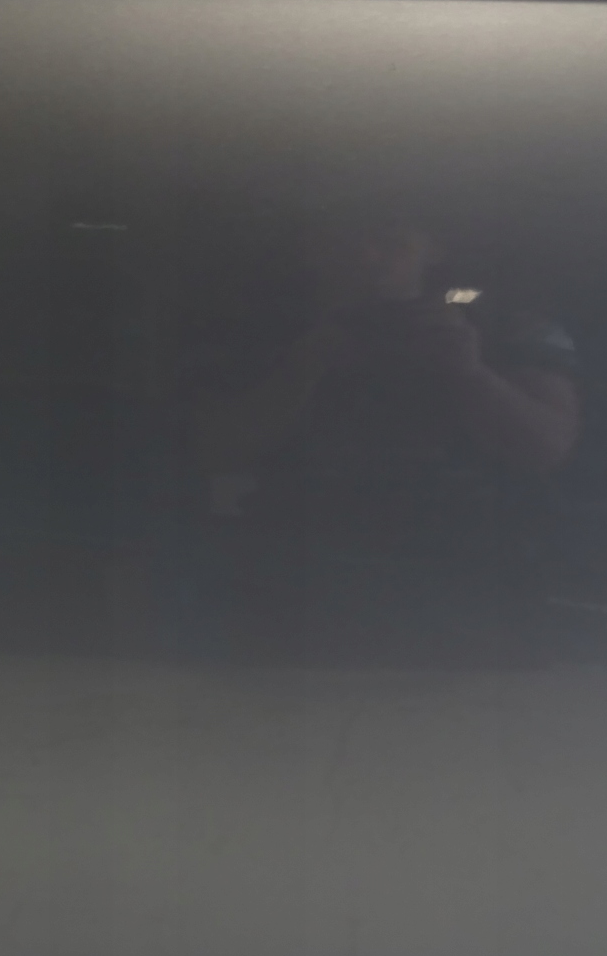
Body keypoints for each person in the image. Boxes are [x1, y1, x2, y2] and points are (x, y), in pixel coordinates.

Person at [184, 201, 580, 664]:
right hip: (304, 579)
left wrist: (471, 374)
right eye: (346, 239)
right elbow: (213, 450)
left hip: (476, 579)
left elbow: (548, 448)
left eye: (391, 240)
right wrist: (303, 368)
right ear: (311, 248)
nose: (368, 256)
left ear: (433, 247)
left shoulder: (494, 322)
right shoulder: (263, 328)